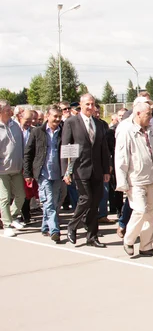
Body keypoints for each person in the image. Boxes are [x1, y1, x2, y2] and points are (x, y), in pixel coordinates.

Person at [115, 102, 153, 257]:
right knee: (140, 211)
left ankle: (146, 246)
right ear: (138, 113)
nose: (150, 117)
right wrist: (122, 181)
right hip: (135, 179)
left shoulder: (152, 129)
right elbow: (121, 157)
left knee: (152, 213)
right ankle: (129, 240)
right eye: (148, 114)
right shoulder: (127, 130)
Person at [63, 94, 111, 248]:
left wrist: (106, 169)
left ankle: (92, 236)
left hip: (97, 169)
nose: (91, 107)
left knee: (95, 202)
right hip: (80, 168)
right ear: (81, 105)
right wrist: (67, 170)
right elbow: (66, 148)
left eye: (93, 104)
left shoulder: (98, 123)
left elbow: (103, 148)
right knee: (86, 198)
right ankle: (72, 225)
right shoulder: (72, 122)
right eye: (88, 104)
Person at [23, 105, 63, 243]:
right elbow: (28, 153)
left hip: (58, 173)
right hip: (43, 173)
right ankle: (54, 230)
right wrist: (27, 172)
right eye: (55, 117)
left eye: (59, 117)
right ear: (47, 116)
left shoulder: (63, 131)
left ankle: (45, 226)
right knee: (49, 201)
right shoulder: (37, 132)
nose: (57, 119)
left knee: (54, 202)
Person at [0, 100, 26, 237]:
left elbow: (21, 145)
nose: (10, 111)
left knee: (21, 196)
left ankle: (14, 215)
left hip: (17, 169)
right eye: (7, 109)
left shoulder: (15, 125)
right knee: (4, 198)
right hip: (2, 171)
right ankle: (7, 224)